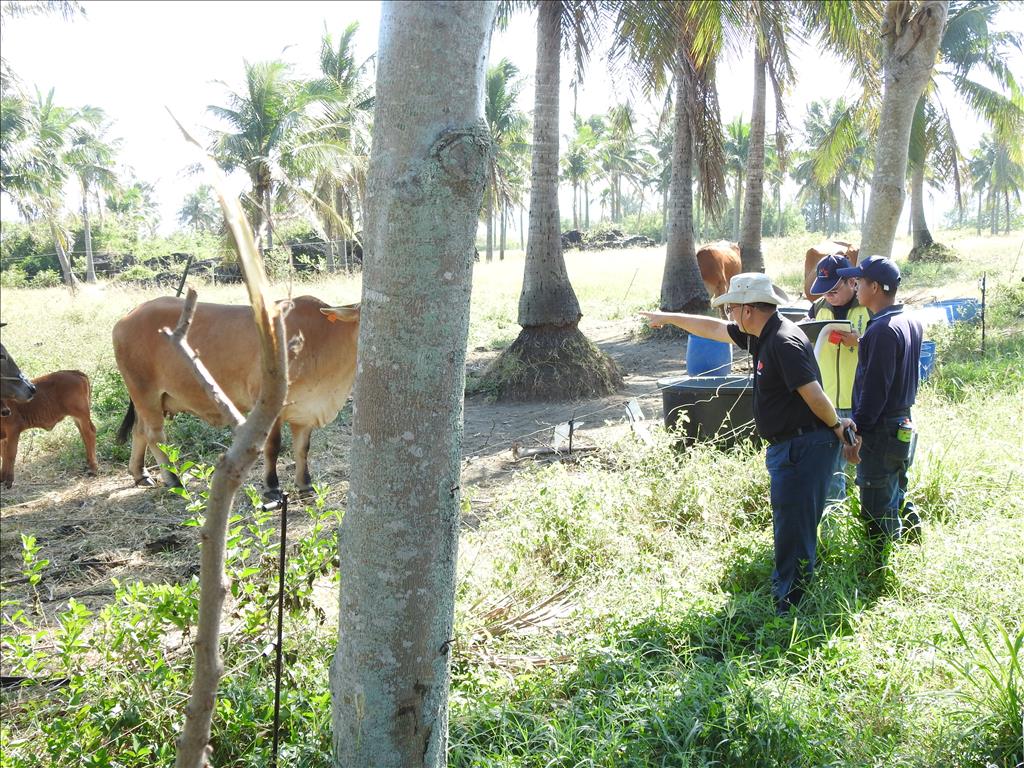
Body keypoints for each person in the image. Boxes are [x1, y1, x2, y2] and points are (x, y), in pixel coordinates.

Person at [642, 273, 854, 614]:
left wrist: (837, 427)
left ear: (748, 310)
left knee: (794, 529)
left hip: (802, 447)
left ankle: (790, 608)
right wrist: (668, 317)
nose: (728, 316)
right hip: (791, 446)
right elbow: (710, 330)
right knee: (792, 526)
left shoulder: (783, 342)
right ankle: (789, 594)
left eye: (731, 309)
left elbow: (813, 394)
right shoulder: (763, 334)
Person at [836, 255, 923, 544]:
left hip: (881, 429)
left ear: (874, 287)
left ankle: (880, 570)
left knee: (876, 503)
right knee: (896, 489)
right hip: (902, 420)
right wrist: (862, 345)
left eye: (858, 281)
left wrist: (856, 431)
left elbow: (876, 389)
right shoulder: (907, 319)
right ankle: (911, 544)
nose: (855, 286)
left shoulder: (881, 330)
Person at [807, 254, 873, 505]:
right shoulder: (818, 308)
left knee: (863, 466)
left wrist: (860, 342)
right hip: (827, 402)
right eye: (825, 291)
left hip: (859, 401)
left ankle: (864, 519)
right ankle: (834, 528)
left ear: (852, 282)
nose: (829, 296)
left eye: (834, 289)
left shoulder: (868, 308)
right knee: (832, 471)